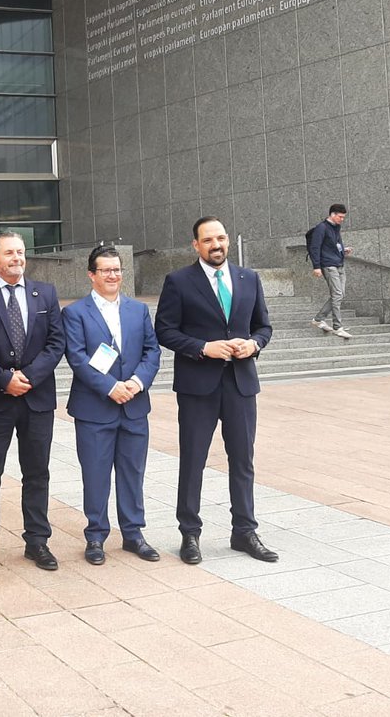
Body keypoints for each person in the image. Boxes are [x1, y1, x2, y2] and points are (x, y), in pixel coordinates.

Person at [154, 217, 276, 566]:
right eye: (208, 240)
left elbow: (263, 326)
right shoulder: (179, 281)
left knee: (243, 460)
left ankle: (244, 531)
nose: (216, 245)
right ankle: (190, 534)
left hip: (240, 383)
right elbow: (164, 330)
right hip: (198, 386)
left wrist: (254, 345)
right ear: (196, 245)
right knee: (193, 460)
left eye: (221, 238)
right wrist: (202, 347)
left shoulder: (248, 278)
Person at [0, 231, 65, 572]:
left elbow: (56, 342)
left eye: (20, 252)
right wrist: (5, 378)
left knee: (37, 472)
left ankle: (37, 541)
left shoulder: (46, 293)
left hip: (38, 399)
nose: (16, 258)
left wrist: (30, 377)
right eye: (9, 253)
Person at [62, 246, 161, 565]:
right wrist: (110, 387)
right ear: (91, 275)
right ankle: (95, 535)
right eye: (105, 270)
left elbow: (152, 351)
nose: (113, 275)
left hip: (134, 405)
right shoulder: (75, 313)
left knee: (133, 472)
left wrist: (136, 382)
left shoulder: (138, 310)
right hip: (94, 409)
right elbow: (76, 357)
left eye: (117, 269)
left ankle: (133, 534)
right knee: (96, 474)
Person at [309, 204, 353, 339]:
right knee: (337, 293)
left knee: (339, 294)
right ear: (332, 214)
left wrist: (343, 250)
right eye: (340, 217)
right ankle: (337, 327)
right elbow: (314, 247)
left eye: (343, 217)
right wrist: (316, 266)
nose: (342, 219)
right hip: (328, 265)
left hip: (339, 263)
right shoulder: (321, 228)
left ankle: (318, 319)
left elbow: (335, 244)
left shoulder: (336, 227)